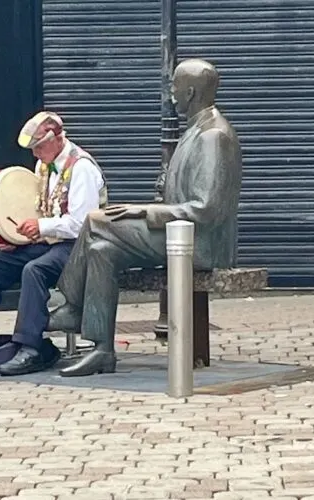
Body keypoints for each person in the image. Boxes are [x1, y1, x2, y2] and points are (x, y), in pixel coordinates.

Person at [48, 59, 243, 377]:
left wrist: (144, 211)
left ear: (190, 92)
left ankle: (72, 305)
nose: (170, 95)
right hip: (180, 231)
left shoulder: (213, 136)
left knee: (98, 220)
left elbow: (207, 208)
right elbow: (184, 198)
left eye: (174, 88)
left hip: (202, 242)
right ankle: (102, 350)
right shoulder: (195, 130)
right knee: (102, 251)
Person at [0, 111, 108, 376]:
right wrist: (16, 238)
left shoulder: (81, 167)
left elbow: (81, 224)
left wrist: (41, 227)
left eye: (38, 147)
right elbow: (40, 212)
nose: (35, 154)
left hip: (79, 248)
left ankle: (31, 347)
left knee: (34, 270)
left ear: (57, 138)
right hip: (51, 242)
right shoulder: (43, 166)